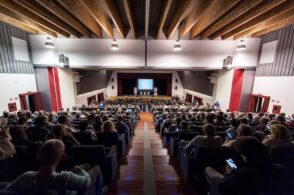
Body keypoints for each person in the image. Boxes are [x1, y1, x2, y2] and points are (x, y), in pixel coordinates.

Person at [5, 139, 105, 195]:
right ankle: (100, 191)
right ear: (61, 157)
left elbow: (7, 190)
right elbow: (87, 181)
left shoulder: (26, 177)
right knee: (96, 169)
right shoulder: (64, 177)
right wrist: (80, 169)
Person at [205, 137, 288, 195]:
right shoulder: (280, 168)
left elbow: (222, 187)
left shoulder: (242, 173)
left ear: (244, 154)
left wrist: (231, 172)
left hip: (232, 184)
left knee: (208, 169)